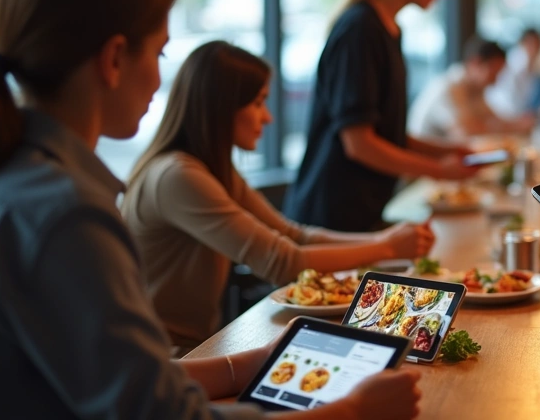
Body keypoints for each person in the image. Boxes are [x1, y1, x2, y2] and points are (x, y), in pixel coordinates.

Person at [0, 0, 420, 419]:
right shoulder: (66, 214)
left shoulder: (17, 182)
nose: (161, 76)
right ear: (114, 59)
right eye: (159, 53)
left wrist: (255, 362)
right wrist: (351, 413)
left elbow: (132, 381)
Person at [123, 41, 435, 352]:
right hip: (162, 357)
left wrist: (387, 241)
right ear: (222, 106)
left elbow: (294, 235)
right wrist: (387, 246)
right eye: (258, 103)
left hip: (195, 345)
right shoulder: (179, 176)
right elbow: (283, 262)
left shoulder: (210, 170)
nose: (268, 117)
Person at [285, 0, 477, 233]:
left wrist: (447, 152)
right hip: (330, 220)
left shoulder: (388, 30)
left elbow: (386, 133)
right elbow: (359, 143)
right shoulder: (360, 29)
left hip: (359, 213)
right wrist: (439, 170)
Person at [409, 36, 530, 141]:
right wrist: (513, 127)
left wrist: (524, 123)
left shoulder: (475, 90)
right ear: (475, 63)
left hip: (445, 160)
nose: (495, 81)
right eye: (494, 73)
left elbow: (496, 120)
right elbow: (466, 134)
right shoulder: (449, 88)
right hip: (424, 162)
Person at [486, 27, 540, 118]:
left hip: (520, 114)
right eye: (531, 44)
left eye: (538, 44)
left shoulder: (537, 68)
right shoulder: (514, 65)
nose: (534, 48)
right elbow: (509, 99)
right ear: (521, 43)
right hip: (505, 113)